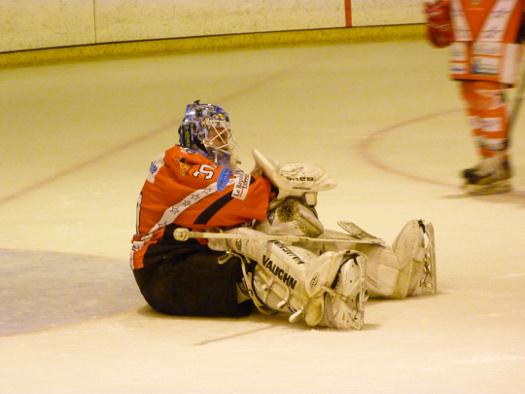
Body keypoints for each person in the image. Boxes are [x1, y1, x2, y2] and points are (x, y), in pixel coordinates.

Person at [130, 101, 437, 330]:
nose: (222, 141)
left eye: (224, 134)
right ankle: (320, 294)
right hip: (167, 275)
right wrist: (274, 184)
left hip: (193, 261)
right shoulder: (179, 163)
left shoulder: (204, 167)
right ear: (194, 136)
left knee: (287, 226)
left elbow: (232, 204)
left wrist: (283, 199)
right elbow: (241, 198)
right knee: (249, 243)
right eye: (214, 134)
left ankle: (392, 273)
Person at [424, 0, 525, 194]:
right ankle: (489, 159)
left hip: (498, 11)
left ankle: (496, 161)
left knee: (484, 87)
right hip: (467, 12)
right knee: (470, 87)